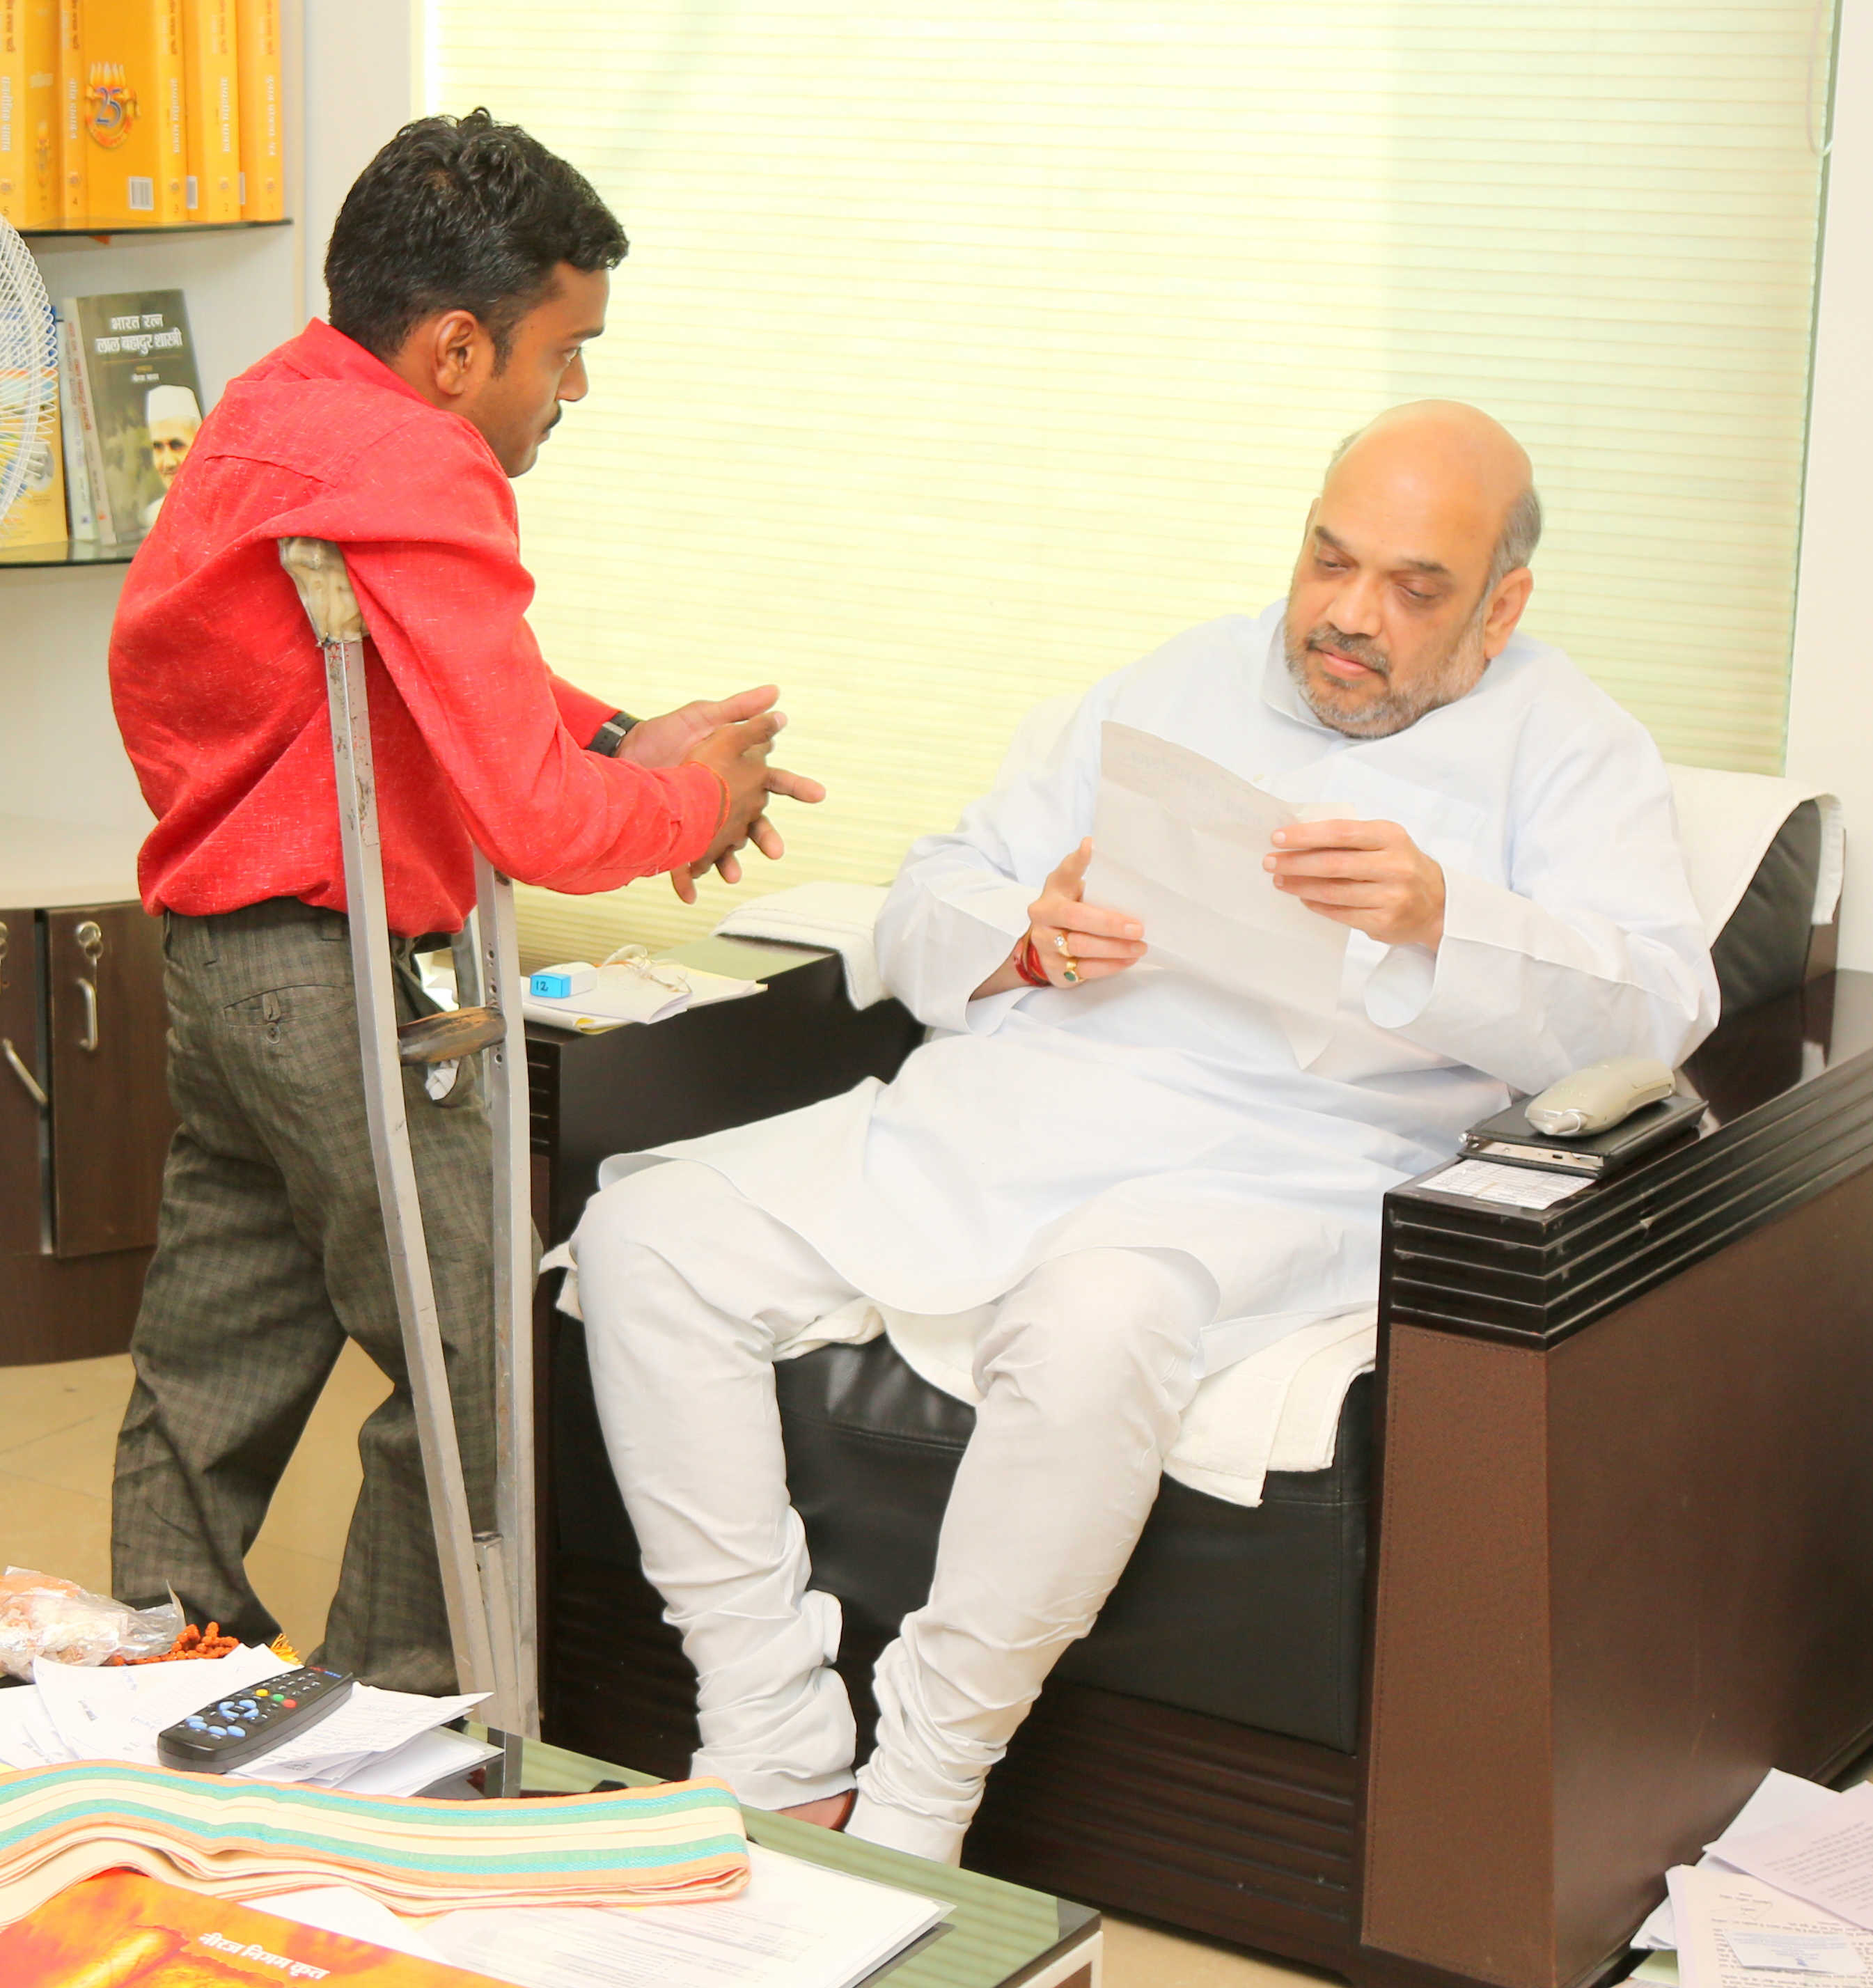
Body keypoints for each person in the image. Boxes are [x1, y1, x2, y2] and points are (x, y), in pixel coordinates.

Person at [569, 400, 1718, 1863]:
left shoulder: (1569, 749)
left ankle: (920, 1790)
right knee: (647, 1234)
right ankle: (772, 1735)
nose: (1346, 616)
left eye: (1411, 587)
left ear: (1500, 611)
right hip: (1028, 1098)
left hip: (1286, 1155)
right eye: (1328, 558)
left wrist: (1446, 919)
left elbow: (1651, 1015)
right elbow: (931, 895)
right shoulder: (1175, 680)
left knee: (1099, 1314)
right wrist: (1025, 941)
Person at [109, 110, 821, 1694]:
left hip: (229, 966)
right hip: (342, 977)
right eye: (563, 351)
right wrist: (697, 799)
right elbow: (539, 821)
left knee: (214, 1362)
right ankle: (389, 1730)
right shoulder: (422, 468)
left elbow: (445, 673)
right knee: (480, 1354)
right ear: (452, 349)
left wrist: (636, 734)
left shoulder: (287, 405)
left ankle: (145, 1690)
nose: (575, 388)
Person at [140, 384, 202, 530]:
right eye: (158, 447)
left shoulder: (224, 512)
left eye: (177, 445)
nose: (168, 463)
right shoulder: (154, 516)